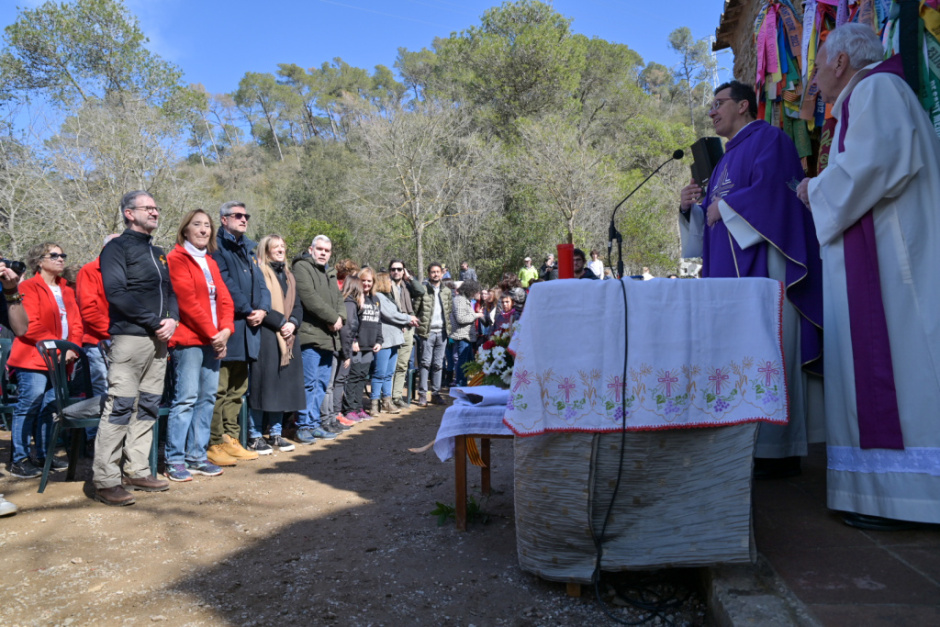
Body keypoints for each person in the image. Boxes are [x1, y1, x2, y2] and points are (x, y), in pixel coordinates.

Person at [797, 24, 940, 528]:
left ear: (840, 62)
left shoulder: (877, 89)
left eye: (816, 66)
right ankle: (886, 493)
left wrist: (814, 190)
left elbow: (872, 167)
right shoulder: (875, 92)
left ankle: (903, 496)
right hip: (884, 256)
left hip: (893, 267)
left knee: (899, 367)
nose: (812, 79)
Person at [679, 80, 824, 479]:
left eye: (718, 103)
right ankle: (742, 445)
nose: (712, 112)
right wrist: (690, 208)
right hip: (732, 276)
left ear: (744, 105)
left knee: (769, 351)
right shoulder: (726, 158)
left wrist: (724, 208)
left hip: (765, 272)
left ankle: (779, 452)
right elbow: (706, 229)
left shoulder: (770, 140)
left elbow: (775, 196)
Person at [93, 191, 177, 506]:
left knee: (149, 405)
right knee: (120, 407)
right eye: (148, 208)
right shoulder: (116, 248)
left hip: (159, 341)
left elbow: (170, 291)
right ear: (129, 213)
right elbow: (116, 293)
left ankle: (137, 469)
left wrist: (173, 321)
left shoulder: (158, 252)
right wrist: (154, 321)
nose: (155, 212)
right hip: (131, 338)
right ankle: (105, 480)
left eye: (157, 207)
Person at [164, 210, 235, 481]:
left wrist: (226, 330)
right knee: (186, 399)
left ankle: (197, 455)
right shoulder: (176, 259)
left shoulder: (211, 262)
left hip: (214, 340)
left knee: (206, 399)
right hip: (190, 341)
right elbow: (187, 302)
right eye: (198, 225)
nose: (204, 230)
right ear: (185, 230)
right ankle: (175, 459)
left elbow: (225, 298)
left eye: (208, 226)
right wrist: (214, 334)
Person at [7, 242, 83, 479]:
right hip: (33, 359)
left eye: (63, 254)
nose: (61, 258)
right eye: (54, 255)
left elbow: (77, 324)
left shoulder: (68, 290)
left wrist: (73, 349)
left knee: (50, 409)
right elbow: (30, 327)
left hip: (61, 361)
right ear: (39, 261)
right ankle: (19, 459)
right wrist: (61, 350)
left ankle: (43, 455)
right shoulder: (28, 287)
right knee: (29, 407)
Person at [208, 201, 269, 465]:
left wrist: (263, 310)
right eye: (238, 215)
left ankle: (232, 440)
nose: (244, 219)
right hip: (229, 326)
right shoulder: (217, 248)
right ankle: (215, 442)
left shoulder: (249, 250)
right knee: (219, 389)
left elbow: (262, 286)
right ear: (223, 220)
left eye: (246, 215)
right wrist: (247, 309)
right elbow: (224, 283)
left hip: (250, 328)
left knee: (237, 389)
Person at [245, 235, 306, 454]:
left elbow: (298, 305)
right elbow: (258, 303)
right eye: (275, 247)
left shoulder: (289, 276)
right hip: (266, 335)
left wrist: (292, 323)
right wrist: (280, 322)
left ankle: (276, 434)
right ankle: (255, 435)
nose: (281, 250)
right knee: (263, 386)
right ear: (266, 250)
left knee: (282, 386)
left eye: (283, 246)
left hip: (288, 337)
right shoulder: (258, 272)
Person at [293, 235, 345, 443]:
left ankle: (314, 424)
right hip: (310, 335)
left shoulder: (329, 272)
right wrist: (333, 318)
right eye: (320, 249)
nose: (323, 253)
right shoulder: (302, 268)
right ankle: (303, 425)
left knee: (322, 383)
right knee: (308, 383)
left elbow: (339, 300)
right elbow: (309, 298)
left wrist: (340, 317)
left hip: (329, 336)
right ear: (311, 249)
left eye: (327, 250)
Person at [371, 271, 417, 415]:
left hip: (394, 339)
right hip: (384, 340)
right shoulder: (378, 297)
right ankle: (374, 403)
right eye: (389, 281)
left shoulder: (387, 297)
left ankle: (387, 401)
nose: (391, 283)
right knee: (380, 373)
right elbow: (390, 314)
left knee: (389, 373)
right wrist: (408, 318)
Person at [410, 263, 452, 407]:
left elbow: (449, 310)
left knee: (438, 364)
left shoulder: (446, 291)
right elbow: (415, 309)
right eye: (433, 272)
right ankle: (422, 393)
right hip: (427, 332)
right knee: (425, 363)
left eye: (437, 272)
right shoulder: (423, 290)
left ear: (442, 273)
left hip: (442, 332)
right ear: (429, 274)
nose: (435, 274)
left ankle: (435, 393)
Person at [388, 260, 416, 408]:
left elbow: (421, 291)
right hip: (392, 329)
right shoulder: (386, 287)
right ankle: (387, 398)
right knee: (390, 365)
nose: (396, 272)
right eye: (393, 269)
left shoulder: (407, 286)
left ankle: (397, 396)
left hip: (408, 329)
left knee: (402, 365)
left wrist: (409, 278)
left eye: (399, 269)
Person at [450, 280, 483, 387]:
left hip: (466, 336)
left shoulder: (464, 300)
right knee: (463, 362)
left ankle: (463, 383)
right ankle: (460, 384)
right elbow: (461, 318)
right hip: (462, 335)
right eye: (476, 291)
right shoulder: (459, 300)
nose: (477, 293)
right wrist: (476, 315)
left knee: (466, 362)